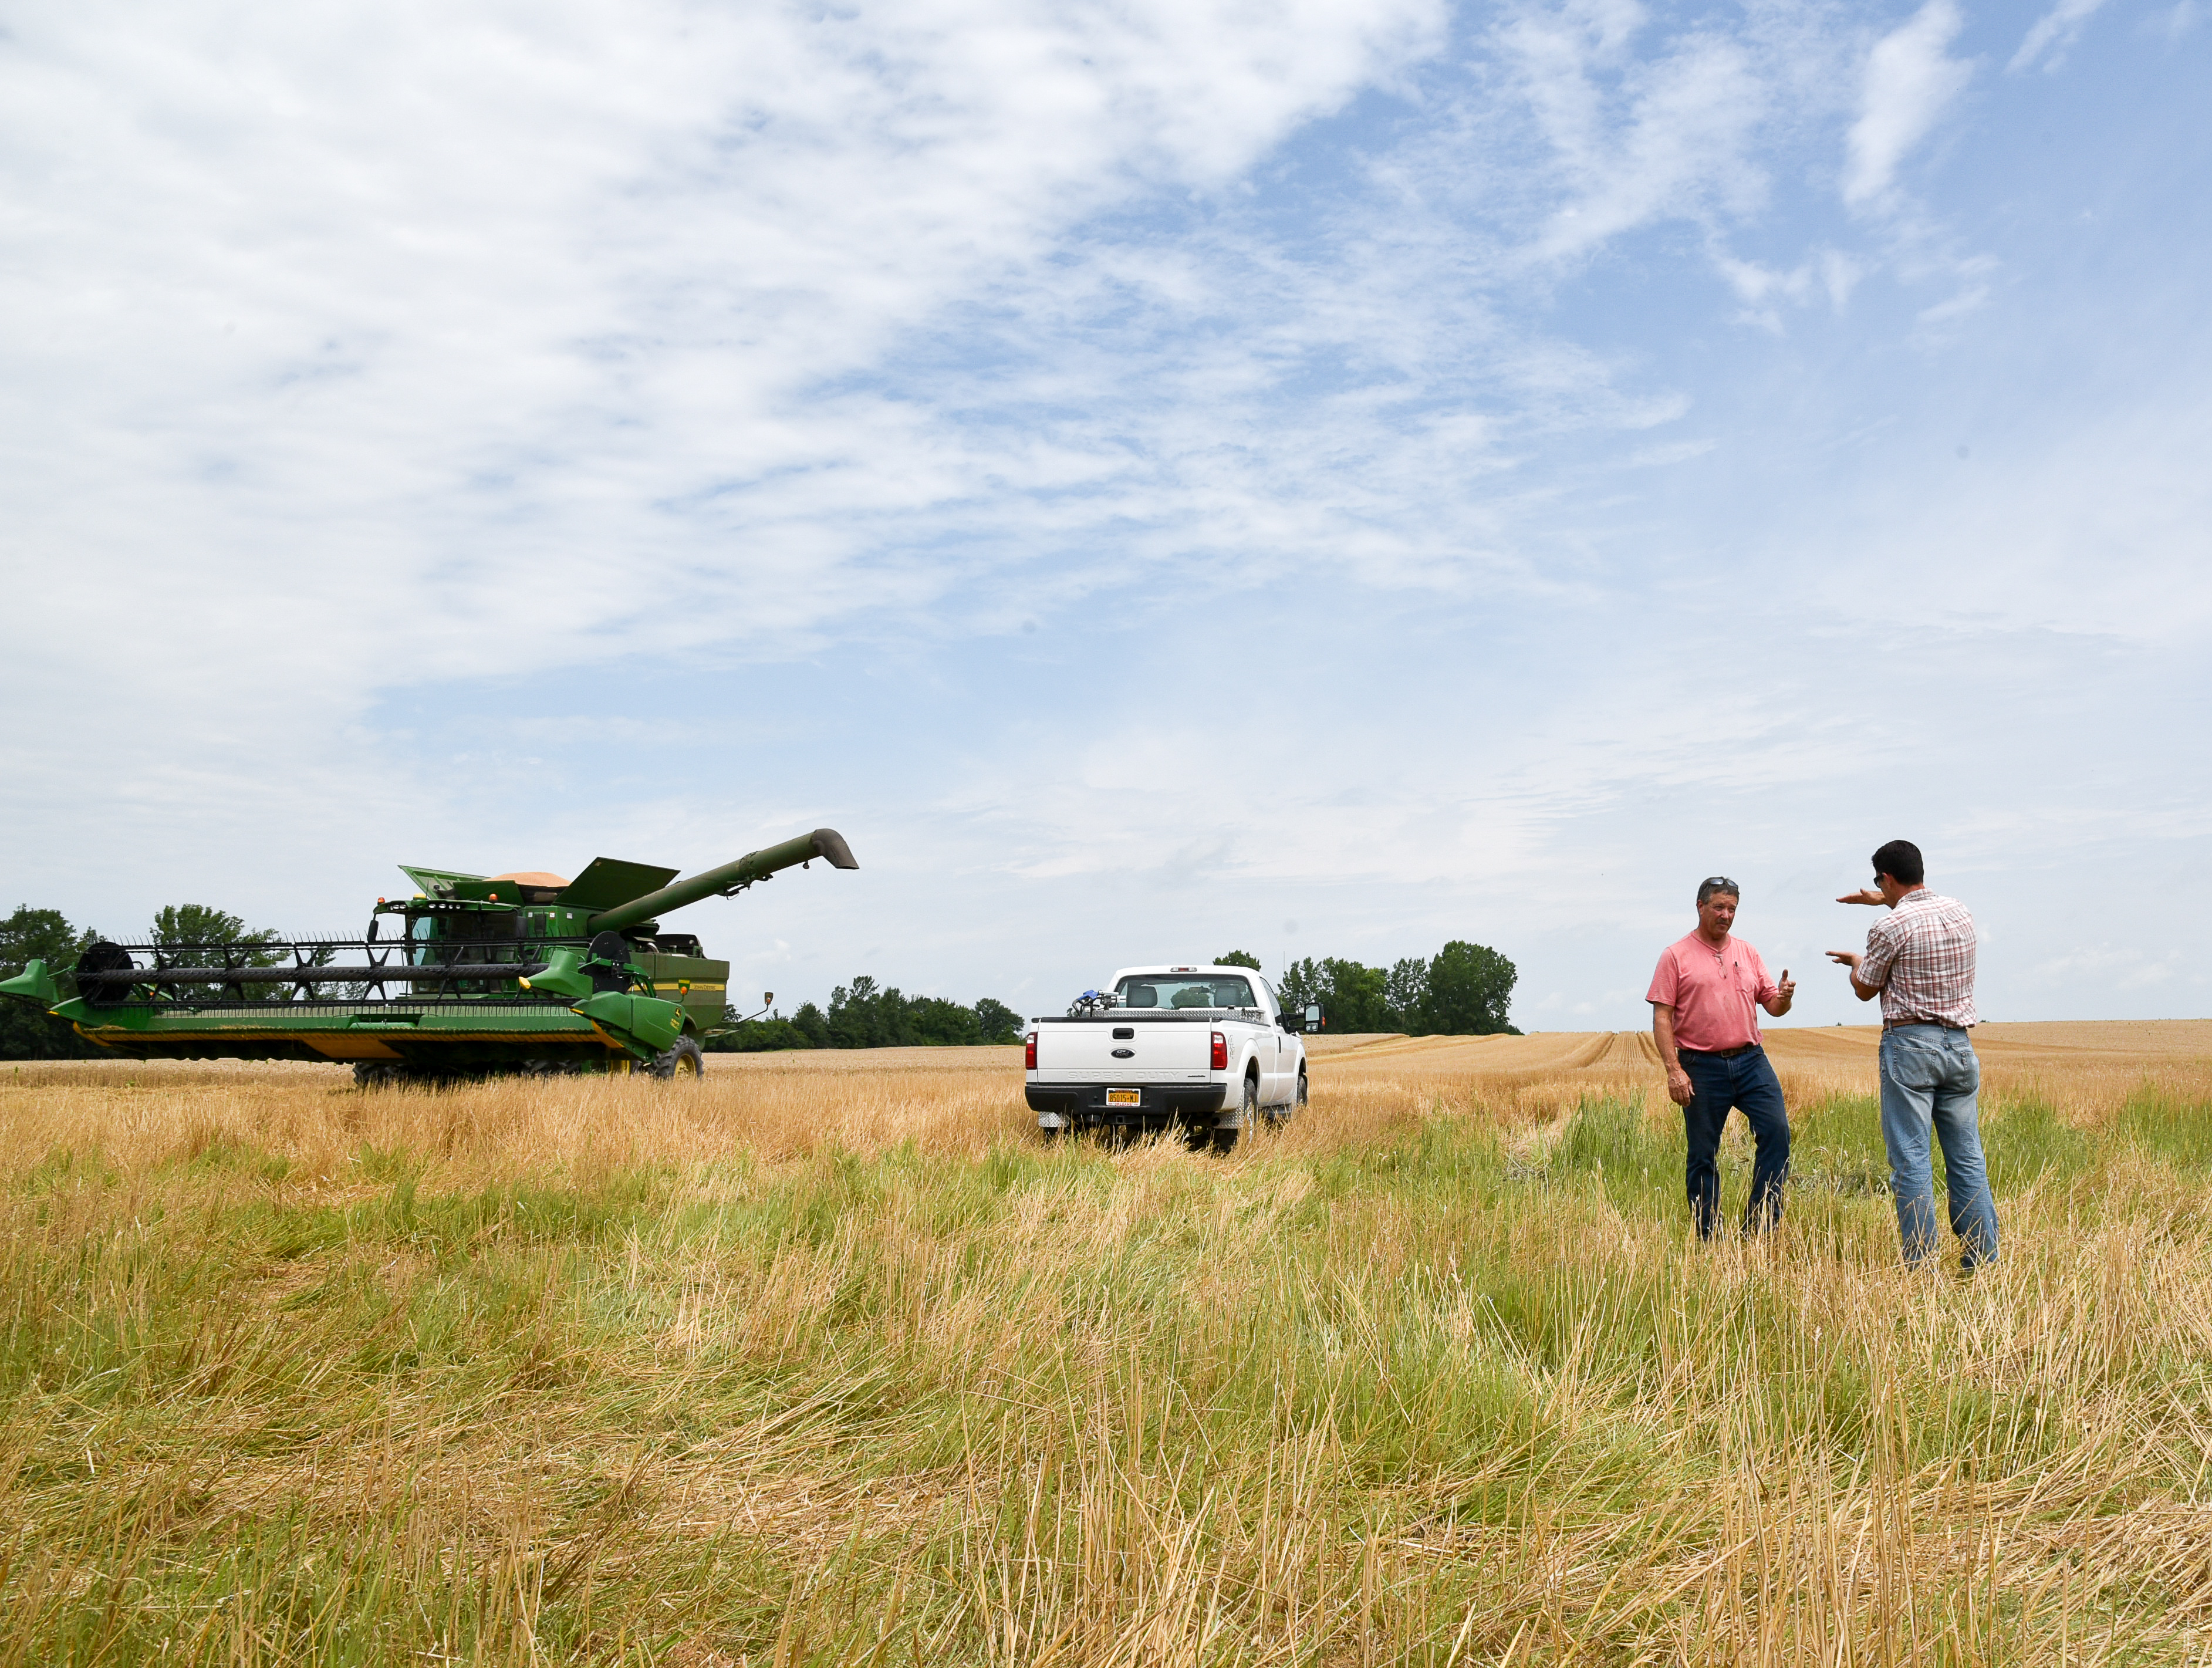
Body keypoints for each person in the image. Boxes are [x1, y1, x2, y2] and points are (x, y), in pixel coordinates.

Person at [1828, 839, 1998, 1269]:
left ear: (1885, 879)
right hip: (1959, 1046)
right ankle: (1983, 1257)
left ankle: (1921, 1264)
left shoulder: (1889, 927)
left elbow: (1866, 988)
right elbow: (1919, 921)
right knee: (1966, 1156)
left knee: (1911, 1158)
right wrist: (1884, 901)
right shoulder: (1959, 910)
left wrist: (1855, 963)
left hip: (1910, 1047)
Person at [1647, 877, 1796, 1238]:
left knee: (1777, 1134)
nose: (1726, 915)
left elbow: (1774, 1007)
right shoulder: (1675, 955)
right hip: (1701, 1067)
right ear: (1700, 906)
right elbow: (1662, 1017)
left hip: (1751, 1061)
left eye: (1732, 909)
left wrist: (1786, 996)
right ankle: (1708, 1236)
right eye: (1719, 907)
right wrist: (1674, 1070)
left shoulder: (1747, 952)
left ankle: (1760, 1229)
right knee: (1703, 1153)